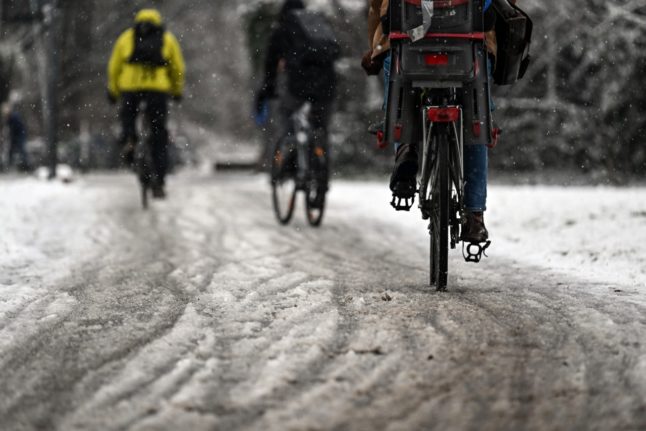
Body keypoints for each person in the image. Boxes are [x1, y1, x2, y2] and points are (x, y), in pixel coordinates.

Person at [363, 0, 514, 244]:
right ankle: (474, 216)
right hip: (471, 41)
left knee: (400, 90)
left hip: (408, 41)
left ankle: (405, 147)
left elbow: (377, 5)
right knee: (477, 118)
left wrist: (375, 48)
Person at [255, 0, 339, 195]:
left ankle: (292, 159)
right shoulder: (318, 25)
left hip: (297, 84)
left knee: (287, 116)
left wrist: (268, 89)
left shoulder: (282, 30)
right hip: (327, 83)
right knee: (320, 128)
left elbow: (270, 65)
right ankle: (321, 171)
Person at [107, 9, 185, 198]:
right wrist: (176, 91)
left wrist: (113, 91)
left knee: (128, 118)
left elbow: (114, 66)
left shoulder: (126, 38)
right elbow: (177, 68)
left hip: (130, 89)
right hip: (157, 91)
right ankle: (159, 181)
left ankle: (130, 139)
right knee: (159, 133)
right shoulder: (167, 39)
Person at [5, 104, 31, 171]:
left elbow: (15, 127)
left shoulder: (14, 116)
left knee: (21, 150)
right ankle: (12, 164)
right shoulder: (11, 117)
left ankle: (25, 165)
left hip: (19, 135)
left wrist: (12, 135)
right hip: (17, 136)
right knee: (15, 150)